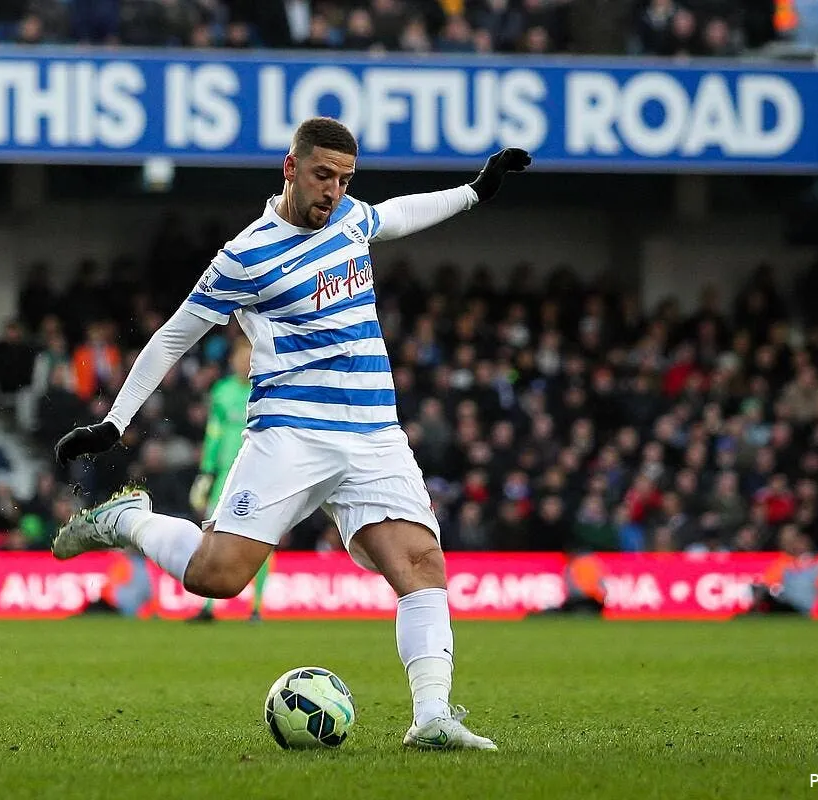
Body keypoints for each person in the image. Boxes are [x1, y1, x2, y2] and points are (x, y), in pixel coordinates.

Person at [52, 116, 530, 751]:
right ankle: (128, 520)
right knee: (217, 577)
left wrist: (475, 191)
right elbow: (172, 337)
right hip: (291, 434)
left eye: (345, 179)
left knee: (421, 564)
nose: (334, 190)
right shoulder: (245, 256)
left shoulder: (350, 219)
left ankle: (431, 717)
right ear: (290, 167)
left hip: (374, 433)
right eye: (322, 175)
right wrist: (115, 422)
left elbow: (396, 214)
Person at [187, 335, 270, 623]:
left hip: (259, 473)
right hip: (225, 473)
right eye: (240, 358)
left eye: (249, 358)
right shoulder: (221, 392)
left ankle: (256, 607)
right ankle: (209, 606)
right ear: (232, 360)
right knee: (213, 534)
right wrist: (206, 471)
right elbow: (214, 433)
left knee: (263, 537)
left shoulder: (267, 390)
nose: (245, 364)